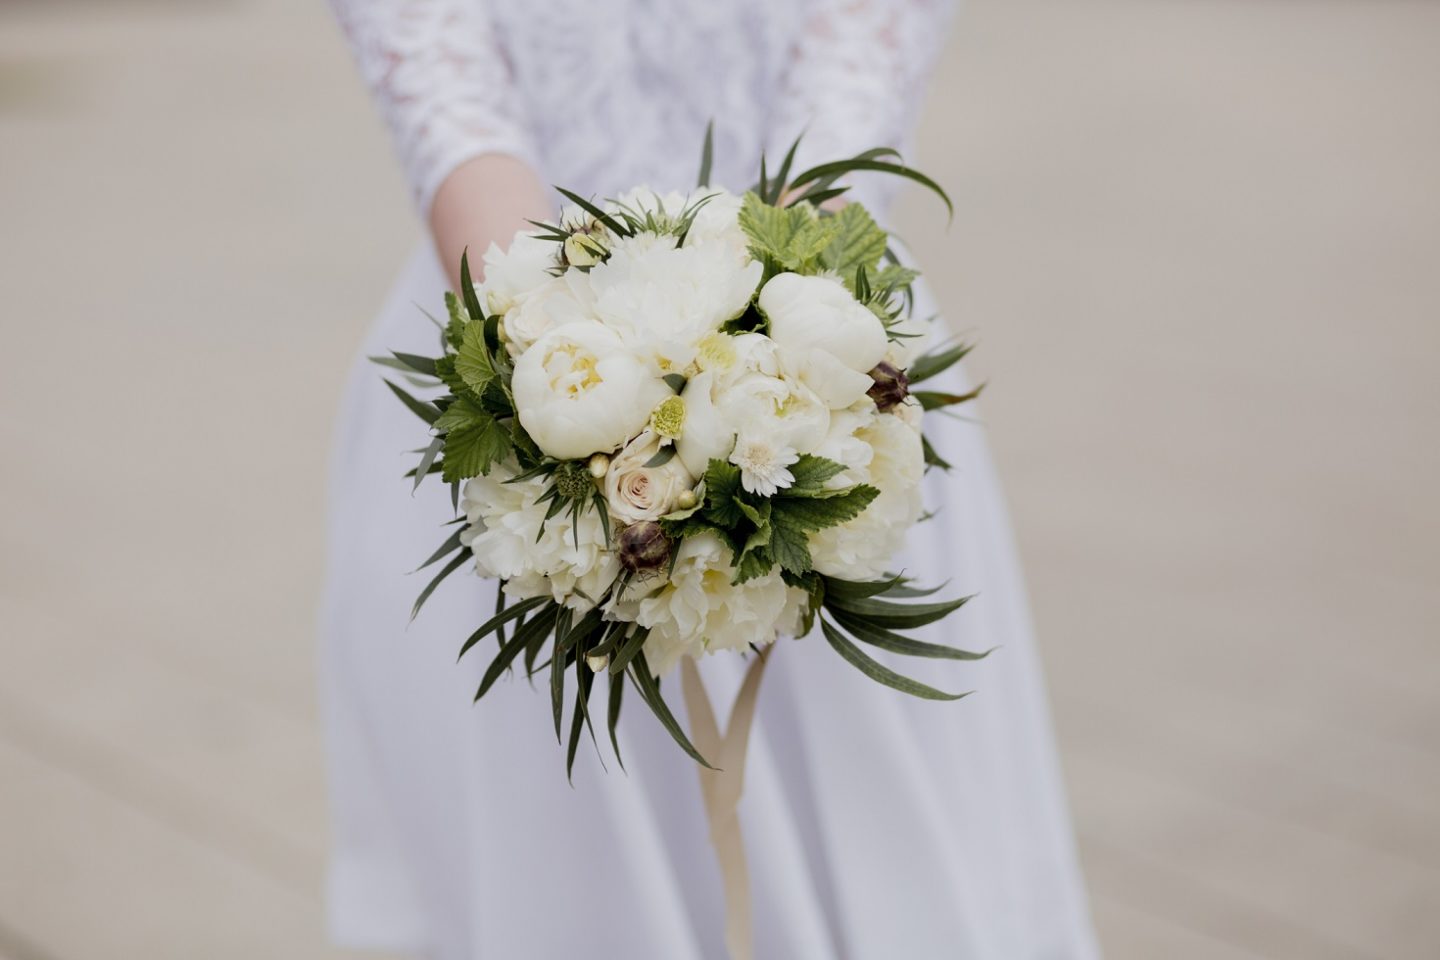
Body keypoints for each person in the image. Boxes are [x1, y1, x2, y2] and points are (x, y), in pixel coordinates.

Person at [321, 2, 1100, 956]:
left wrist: (780, 343)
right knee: (562, 853)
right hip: (515, 323)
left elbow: (859, 41)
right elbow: (438, 70)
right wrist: (543, 347)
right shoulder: (528, 337)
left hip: (816, 336)